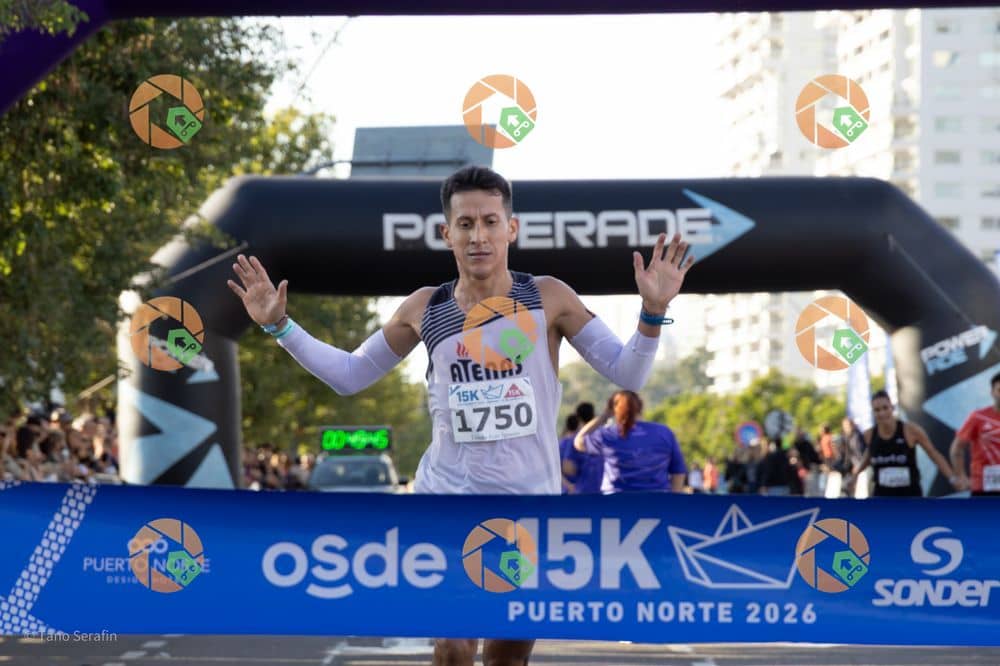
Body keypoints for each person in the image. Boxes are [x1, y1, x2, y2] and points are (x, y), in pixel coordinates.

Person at [227, 165, 694, 666]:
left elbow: (627, 372)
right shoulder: (424, 308)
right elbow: (350, 374)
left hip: (526, 512)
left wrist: (651, 312)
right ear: (446, 233)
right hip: (445, 505)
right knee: (453, 649)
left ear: (511, 229)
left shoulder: (548, 297)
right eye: (465, 224)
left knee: (506, 658)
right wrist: (280, 326)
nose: (478, 236)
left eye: (490, 222)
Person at [573, 391, 687, 494]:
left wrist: (604, 415)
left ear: (613, 409)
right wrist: (672, 502)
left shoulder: (608, 435)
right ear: (641, 407)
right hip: (657, 501)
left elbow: (579, 442)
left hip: (615, 502)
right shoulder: (664, 432)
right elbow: (678, 471)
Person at [852, 390, 960, 497]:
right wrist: (855, 474)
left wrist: (953, 479)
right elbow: (870, 453)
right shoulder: (869, 435)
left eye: (885, 408)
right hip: (882, 495)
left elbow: (933, 454)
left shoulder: (910, 431)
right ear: (873, 412)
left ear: (892, 408)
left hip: (909, 494)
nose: (882, 413)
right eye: (877, 410)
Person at [949, 371, 1000, 496]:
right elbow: (957, 448)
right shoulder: (978, 417)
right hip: (983, 488)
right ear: (992, 392)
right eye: (999, 390)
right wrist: (961, 475)